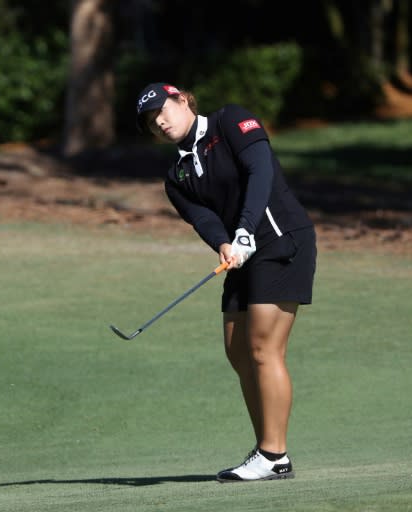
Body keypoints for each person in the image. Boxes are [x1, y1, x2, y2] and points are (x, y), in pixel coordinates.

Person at [135, 83, 317, 482]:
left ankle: (274, 453)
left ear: (183, 100)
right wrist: (223, 242)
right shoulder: (176, 175)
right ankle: (267, 451)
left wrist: (247, 230)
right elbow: (203, 218)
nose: (161, 122)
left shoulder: (230, 120)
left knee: (262, 347)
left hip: (281, 239)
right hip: (240, 253)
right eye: (152, 122)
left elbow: (261, 169)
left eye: (163, 110)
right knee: (238, 351)